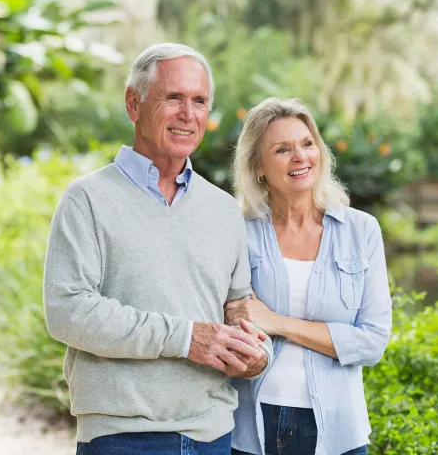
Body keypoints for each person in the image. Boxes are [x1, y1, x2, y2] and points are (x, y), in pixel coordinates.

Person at [43, 43, 272, 455]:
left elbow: (238, 306)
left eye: (199, 101)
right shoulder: (87, 199)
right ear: (134, 103)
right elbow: (68, 311)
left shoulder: (223, 208)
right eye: (173, 98)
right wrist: (186, 338)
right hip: (120, 437)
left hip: (212, 436)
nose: (188, 114)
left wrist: (257, 354)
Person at [225, 98, 392, 455]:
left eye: (307, 143)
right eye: (283, 149)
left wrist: (277, 322)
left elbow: (372, 342)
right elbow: (229, 324)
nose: (300, 157)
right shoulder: (235, 232)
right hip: (251, 428)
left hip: (338, 431)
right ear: (258, 167)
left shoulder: (360, 230)